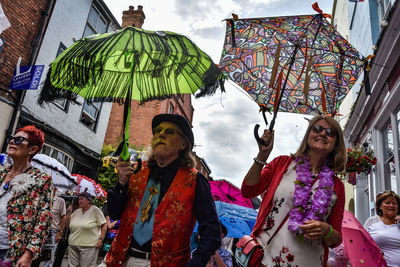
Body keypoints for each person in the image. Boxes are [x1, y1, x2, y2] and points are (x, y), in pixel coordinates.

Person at [106, 113, 221, 267]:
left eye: (170, 132)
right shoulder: (134, 171)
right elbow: (114, 213)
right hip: (118, 259)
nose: (161, 134)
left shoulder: (195, 181)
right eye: (158, 131)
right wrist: (121, 184)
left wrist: (197, 262)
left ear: (183, 144)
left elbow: (211, 230)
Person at [242, 115, 346, 266]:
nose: (323, 133)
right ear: (308, 135)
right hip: (266, 259)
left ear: (336, 143)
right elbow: (248, 191)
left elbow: (335, 239)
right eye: (317, 129)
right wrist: (263, 154)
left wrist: (327, 231)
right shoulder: (282, 164)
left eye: (330, 133)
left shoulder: (337, 186)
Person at [0, 125, 52, 266]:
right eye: (12, 139)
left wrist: (29, 254)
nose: (12, 142)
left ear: (32, 149)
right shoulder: (2, 172)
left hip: (9, 250)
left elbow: (43, 220)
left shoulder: (41, 179)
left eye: (19, 140)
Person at [67, 192, 107, 267]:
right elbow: (67, 225)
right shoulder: (76, 212)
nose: (79, 201)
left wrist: (101, 239)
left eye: (82, 199)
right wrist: (68, 213)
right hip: (73, 244)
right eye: (79, 199)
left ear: (89, 200)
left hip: (89, 246)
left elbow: (104, 224)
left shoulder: (95, 210)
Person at [364, 190, 400, 267]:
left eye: (394, 203)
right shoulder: (372, 221)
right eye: (387, 203)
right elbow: (362, 244)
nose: (391, 205)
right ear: (380, 206)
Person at [43, 187, 66, 267]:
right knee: (36, 254)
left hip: (54, 231)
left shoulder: (60, 201)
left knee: (50, 255)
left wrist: (60, 232)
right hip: (41, 230)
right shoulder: (43, 198)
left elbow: (63, 217)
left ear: (56, 189)